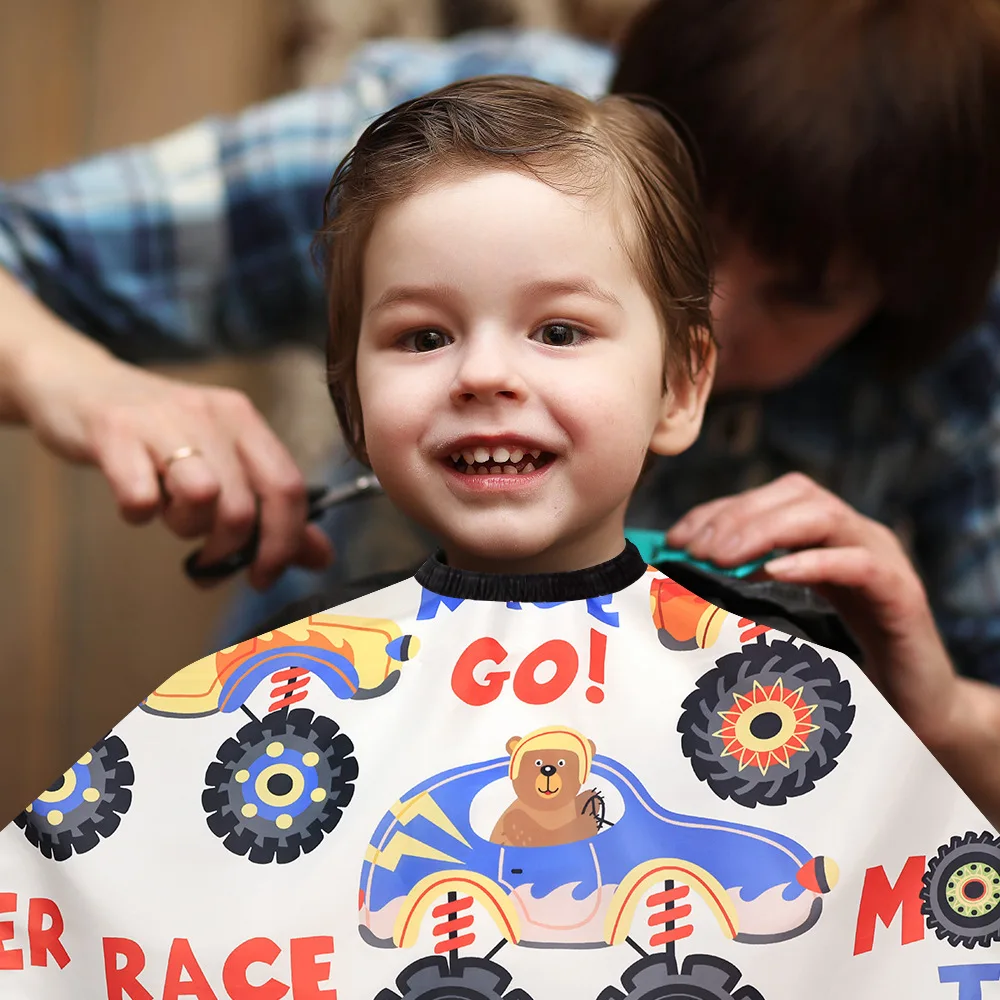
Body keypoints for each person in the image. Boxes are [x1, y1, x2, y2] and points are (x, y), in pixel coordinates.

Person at [0, 76, 990, 1000]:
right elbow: (63, 933)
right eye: (421, 338)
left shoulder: (785, 677)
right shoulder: (283, 693)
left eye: (557, 332)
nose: (482, 374)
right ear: (352, 401)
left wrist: (935, 712)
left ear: (680, 385)